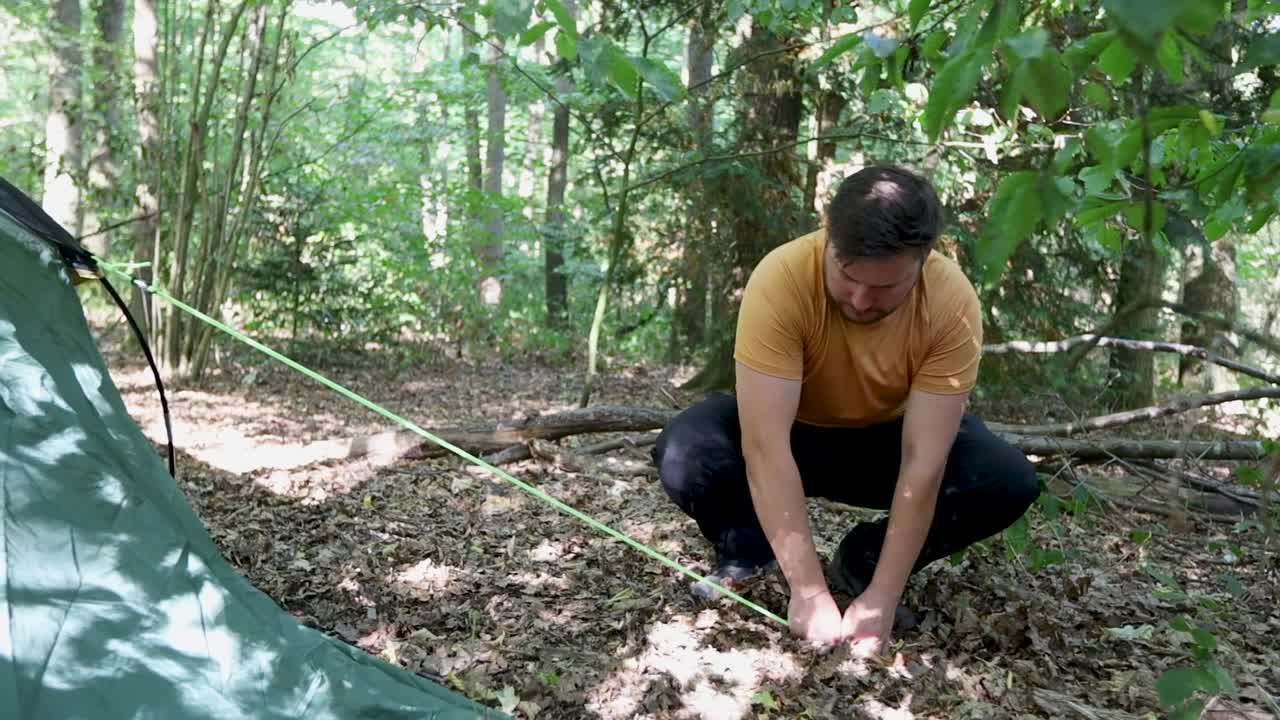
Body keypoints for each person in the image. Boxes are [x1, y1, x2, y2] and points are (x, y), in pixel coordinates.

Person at [652, 164, 1040, 654]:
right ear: (829, 239)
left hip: (889, 444)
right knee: (685, 448)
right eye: (847, 276)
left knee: (1007, 478)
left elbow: (923, 464)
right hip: (796, 434)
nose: (859, 300)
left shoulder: (951, 303)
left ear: (922, 263)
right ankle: (750, 549)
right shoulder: (783, 277)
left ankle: (863, 560)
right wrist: (808, 591)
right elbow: (765, 446)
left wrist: (883, 593)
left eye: (884, 289)